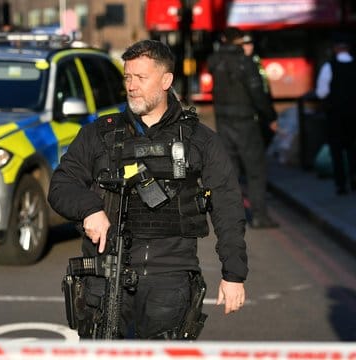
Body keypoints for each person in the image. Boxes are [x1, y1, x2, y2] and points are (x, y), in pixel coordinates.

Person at [48, 39, 247, 339]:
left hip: (169, 281)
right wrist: (89, 209)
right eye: (128, 77)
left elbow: (227, 206)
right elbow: (61, 184)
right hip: (105, 276)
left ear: (166, 80)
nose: (132, 86)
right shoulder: (99, 134)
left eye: (141, 78)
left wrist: (233, 274)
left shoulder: (199, 140)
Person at [208, 27, 279, 228]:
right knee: (255, 171)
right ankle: (259, 216)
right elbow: (258, 94)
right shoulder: (246, 64)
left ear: (223, 39)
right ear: (240, 41)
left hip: (223, 122)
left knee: (231, 173)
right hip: (246, 123)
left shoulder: (216, 62)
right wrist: (271, 117)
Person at [314, 34, 356, 195]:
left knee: (337, 149)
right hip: (354, 113)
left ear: (335, 49)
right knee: (353, 147)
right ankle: (354, 178)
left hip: (336, 114)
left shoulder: (329, 67)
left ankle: (341, 184)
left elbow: (322, 93)